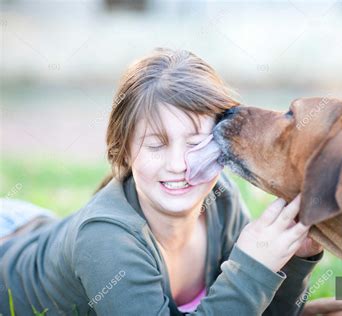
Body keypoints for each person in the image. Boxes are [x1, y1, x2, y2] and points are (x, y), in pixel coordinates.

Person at [0, 48, 324, 315]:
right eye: (156, 145)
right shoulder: (107, 241)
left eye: (197, 142)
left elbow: (258, 309)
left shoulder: (221, 197)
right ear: (123, 151)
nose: (180, 165)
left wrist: (295, 259)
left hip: (36, 226)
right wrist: (251, 265)